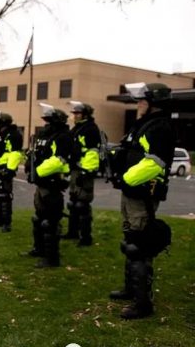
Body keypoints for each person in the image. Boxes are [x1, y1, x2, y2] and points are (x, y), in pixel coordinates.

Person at [108, 82, 174, 320]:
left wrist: (125, 178)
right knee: (130, 240)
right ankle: (130, 289)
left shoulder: (159, 128)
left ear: (155, 104)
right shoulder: (143, 125)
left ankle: (142, 303)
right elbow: (131, 152)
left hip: (143, 194)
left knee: (140, 246)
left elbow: (154, 163)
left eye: (143, 101)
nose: (139, 105)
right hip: (131, 192)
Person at [25, 104, 72, 268]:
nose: (47, 124)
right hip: (42, 183)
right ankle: (39, 249)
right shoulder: (46, 135)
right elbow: (37, 153)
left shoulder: (63, 137)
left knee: (50, 223)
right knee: (38, 219)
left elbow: (59, 160)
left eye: (50, 121)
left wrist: (37, 171)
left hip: (52, 183)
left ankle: (52, 258)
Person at [62, 101, 101, 246]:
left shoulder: (90, 129)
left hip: (84, 172)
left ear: (85, 115)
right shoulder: (76, 129)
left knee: (82, 204)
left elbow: (92, 152)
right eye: (74, 114)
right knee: (73, 203)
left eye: (77, 113)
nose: (74, 116)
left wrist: (87, 172)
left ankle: (86, 237)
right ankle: (72, 232)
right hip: (74, 170)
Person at [0, 109, 23, 233]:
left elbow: (15, 154)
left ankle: (7, 223)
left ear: (3, 122)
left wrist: (10, 170)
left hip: (4, 168)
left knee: (5, 196)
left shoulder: (13, 134)